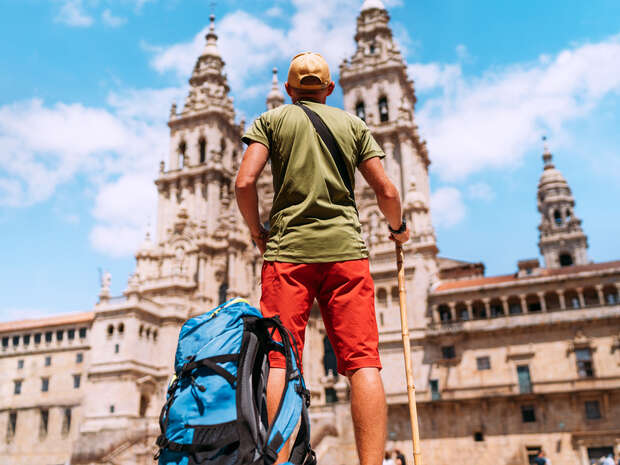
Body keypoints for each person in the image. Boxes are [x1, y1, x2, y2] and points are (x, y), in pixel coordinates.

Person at [235, 51, 410, 465]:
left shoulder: (271, 121)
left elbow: (245, 182)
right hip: (346, 254)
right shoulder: (353, 125)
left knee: (279, 358)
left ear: (291, 91)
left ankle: (275, 459)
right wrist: (398, 228)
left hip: (287, 255)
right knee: (364, 362)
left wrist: (257, 231)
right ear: (331, 89)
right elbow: (387, 191)